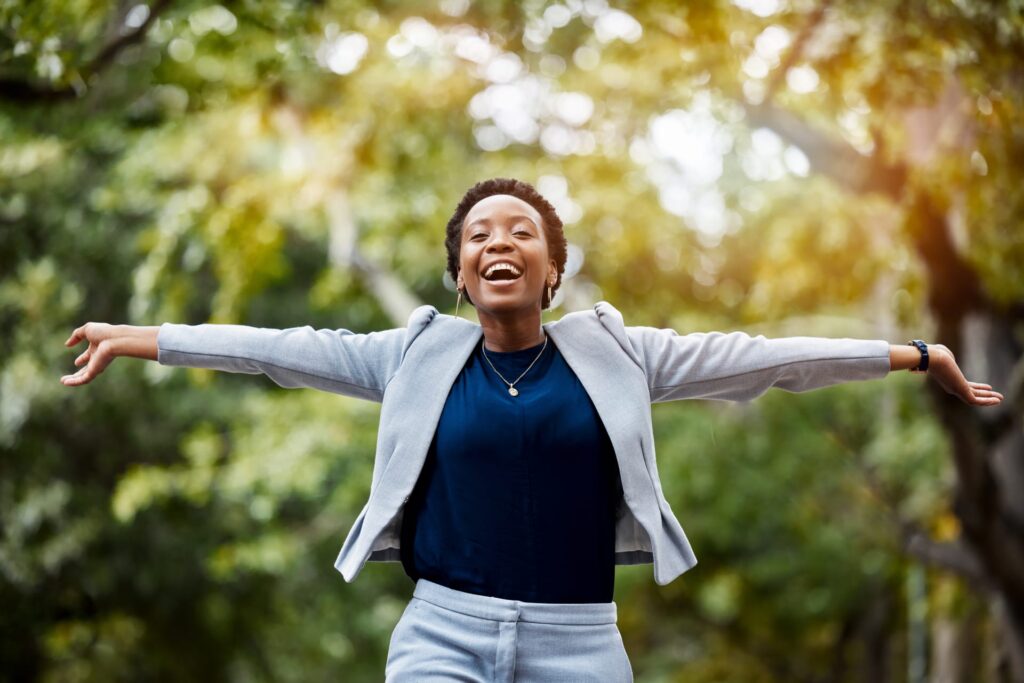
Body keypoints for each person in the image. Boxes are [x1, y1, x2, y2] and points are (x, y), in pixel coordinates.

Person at [61, 177, 1003, 682]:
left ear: (553, 271)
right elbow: (271, 346)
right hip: (442, 634)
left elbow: (763, 356)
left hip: (580, 641)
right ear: (460, 277)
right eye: (477, 236)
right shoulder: (412, 355)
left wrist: (915, 353)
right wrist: (137, 339)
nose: (496, 241)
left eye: (519, 231)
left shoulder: (623, 354)